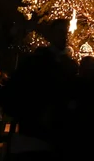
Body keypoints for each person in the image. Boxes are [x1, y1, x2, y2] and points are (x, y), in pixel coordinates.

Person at [6, 19, 77, 161]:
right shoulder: (36, 61)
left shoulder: (69, 64)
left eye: (65, 32)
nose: (64, 36)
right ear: (51, 35)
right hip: (36, 130)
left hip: (58, 133)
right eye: (60, 32)